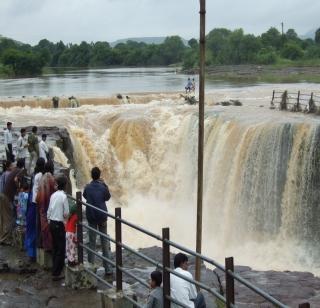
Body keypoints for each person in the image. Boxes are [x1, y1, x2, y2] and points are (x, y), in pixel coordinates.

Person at [83, 167, 112, 275]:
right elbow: (107, 197)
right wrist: (104, 185)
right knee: (104, 242)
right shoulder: (103, 186)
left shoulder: (88, 187)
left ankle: (90, 266)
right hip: (102, 215)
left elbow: (85, 195)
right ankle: (108, 269)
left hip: (91, 216)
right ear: (99, 176)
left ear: (91, 175)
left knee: (92, 242)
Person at [47, 175, 69, 281]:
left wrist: (48, 220)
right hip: (59, 224)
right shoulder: (64, 197)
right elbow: (66, 213)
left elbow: (49, 210)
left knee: (55, 247)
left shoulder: (53, 195)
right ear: (64, 186)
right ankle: (56, 273)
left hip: (51, 222)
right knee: (61, 248)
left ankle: (54, 269)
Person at [25, 157, 45, 261]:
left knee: (31, 228)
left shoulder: (34, 174)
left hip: (31, 203)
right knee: (36, 228)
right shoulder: (40, 175)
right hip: (36, 203)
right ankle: (33, 254)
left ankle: (30, 251)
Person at [36, 160, 55, 251]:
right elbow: (55, 191)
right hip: (49, 206)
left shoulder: (42, 178)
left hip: (42, 206)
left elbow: (38, 195)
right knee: (49, 228)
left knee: (43, 227)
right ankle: (49, 247)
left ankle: (44, 245)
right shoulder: (51, 179)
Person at [0, 161, 14, 245]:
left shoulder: (3, 174)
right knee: (7, 218)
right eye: (12, 165)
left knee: (2, 217)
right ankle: (4, 238)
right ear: (8, 167)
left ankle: (1, 236)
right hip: (5, 197)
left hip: (1, 196)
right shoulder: (8, 174)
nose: (13, 167)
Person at [65, 201, 78, 266]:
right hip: (71, 233)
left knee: (68, 247)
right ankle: (72, 261)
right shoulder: (75, 216)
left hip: (67, 232)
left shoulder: (69, 217)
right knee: (72, 247)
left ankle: (69, 259)